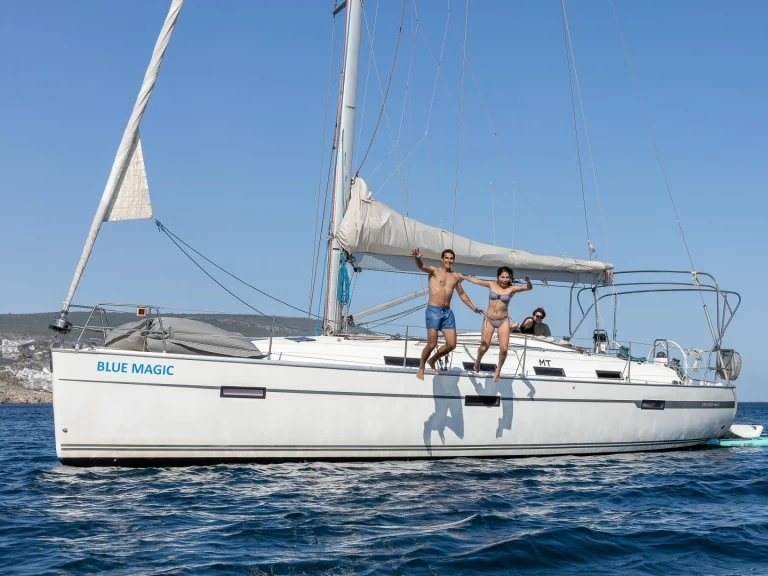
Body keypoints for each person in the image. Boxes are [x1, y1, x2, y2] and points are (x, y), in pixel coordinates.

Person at [412, 248, 483, 380]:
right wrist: (417, 258)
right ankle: (421, 366)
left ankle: (432, 360)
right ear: (442, 259)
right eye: (447, 258)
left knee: (451, 344)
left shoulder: (455, 277)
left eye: (451, 258)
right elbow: (421, 266)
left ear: (453, 260)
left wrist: (473, 308)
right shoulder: (434, 271)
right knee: (432, 344)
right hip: (433, 310)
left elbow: (462, 294)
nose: (449, 260)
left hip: (447, 312)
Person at [460, 267, 532, 382]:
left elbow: (528, 288)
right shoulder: (491, 284)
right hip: (489, 319)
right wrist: (462, 277)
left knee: (504, 349)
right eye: (502, 277)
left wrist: (528, 281)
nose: (504, 279)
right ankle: (478, 361)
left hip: (503, 320)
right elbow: (476, 281)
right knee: (484, 347)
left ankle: (498, 370)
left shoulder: (512, 289)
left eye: (507, 277)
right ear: (498, 277)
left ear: (510, 278)